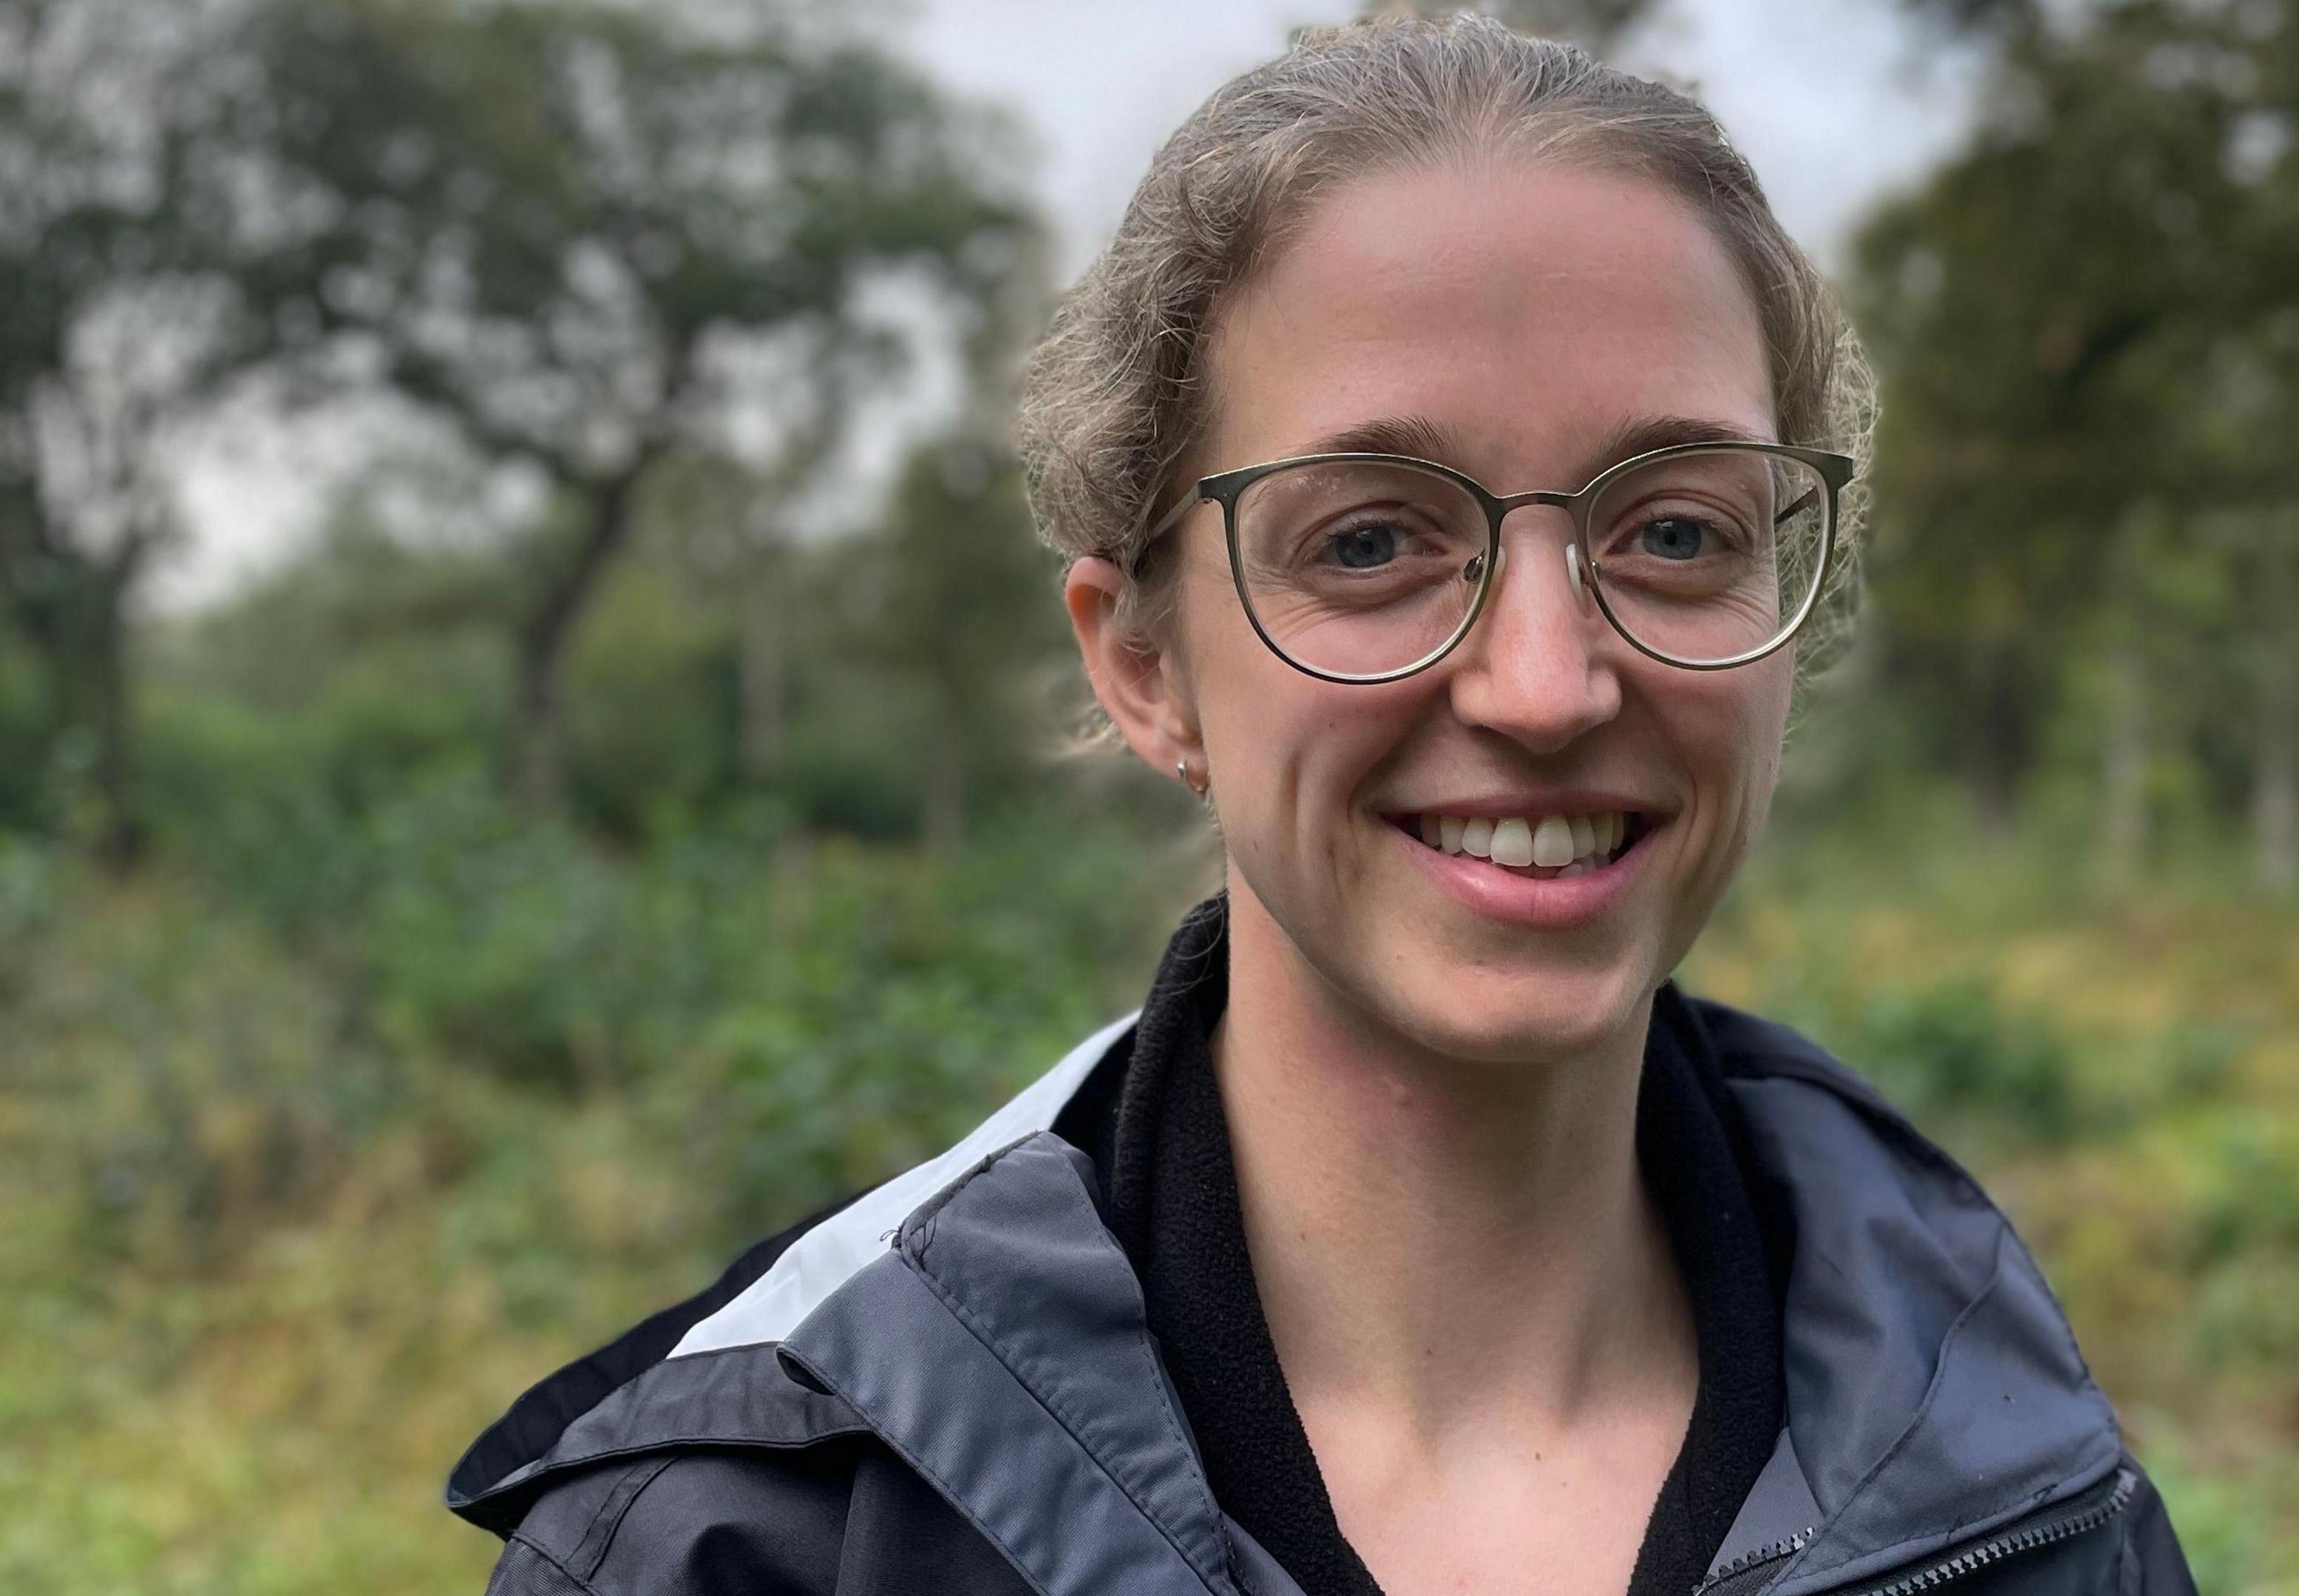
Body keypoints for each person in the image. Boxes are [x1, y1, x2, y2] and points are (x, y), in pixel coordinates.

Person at [447, 16, 2198, 1596]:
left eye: (1675, 532)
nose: (1545, 684)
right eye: (1369, 540)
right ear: (1144, 664)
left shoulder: (2013, 1482)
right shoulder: (763, 1539)